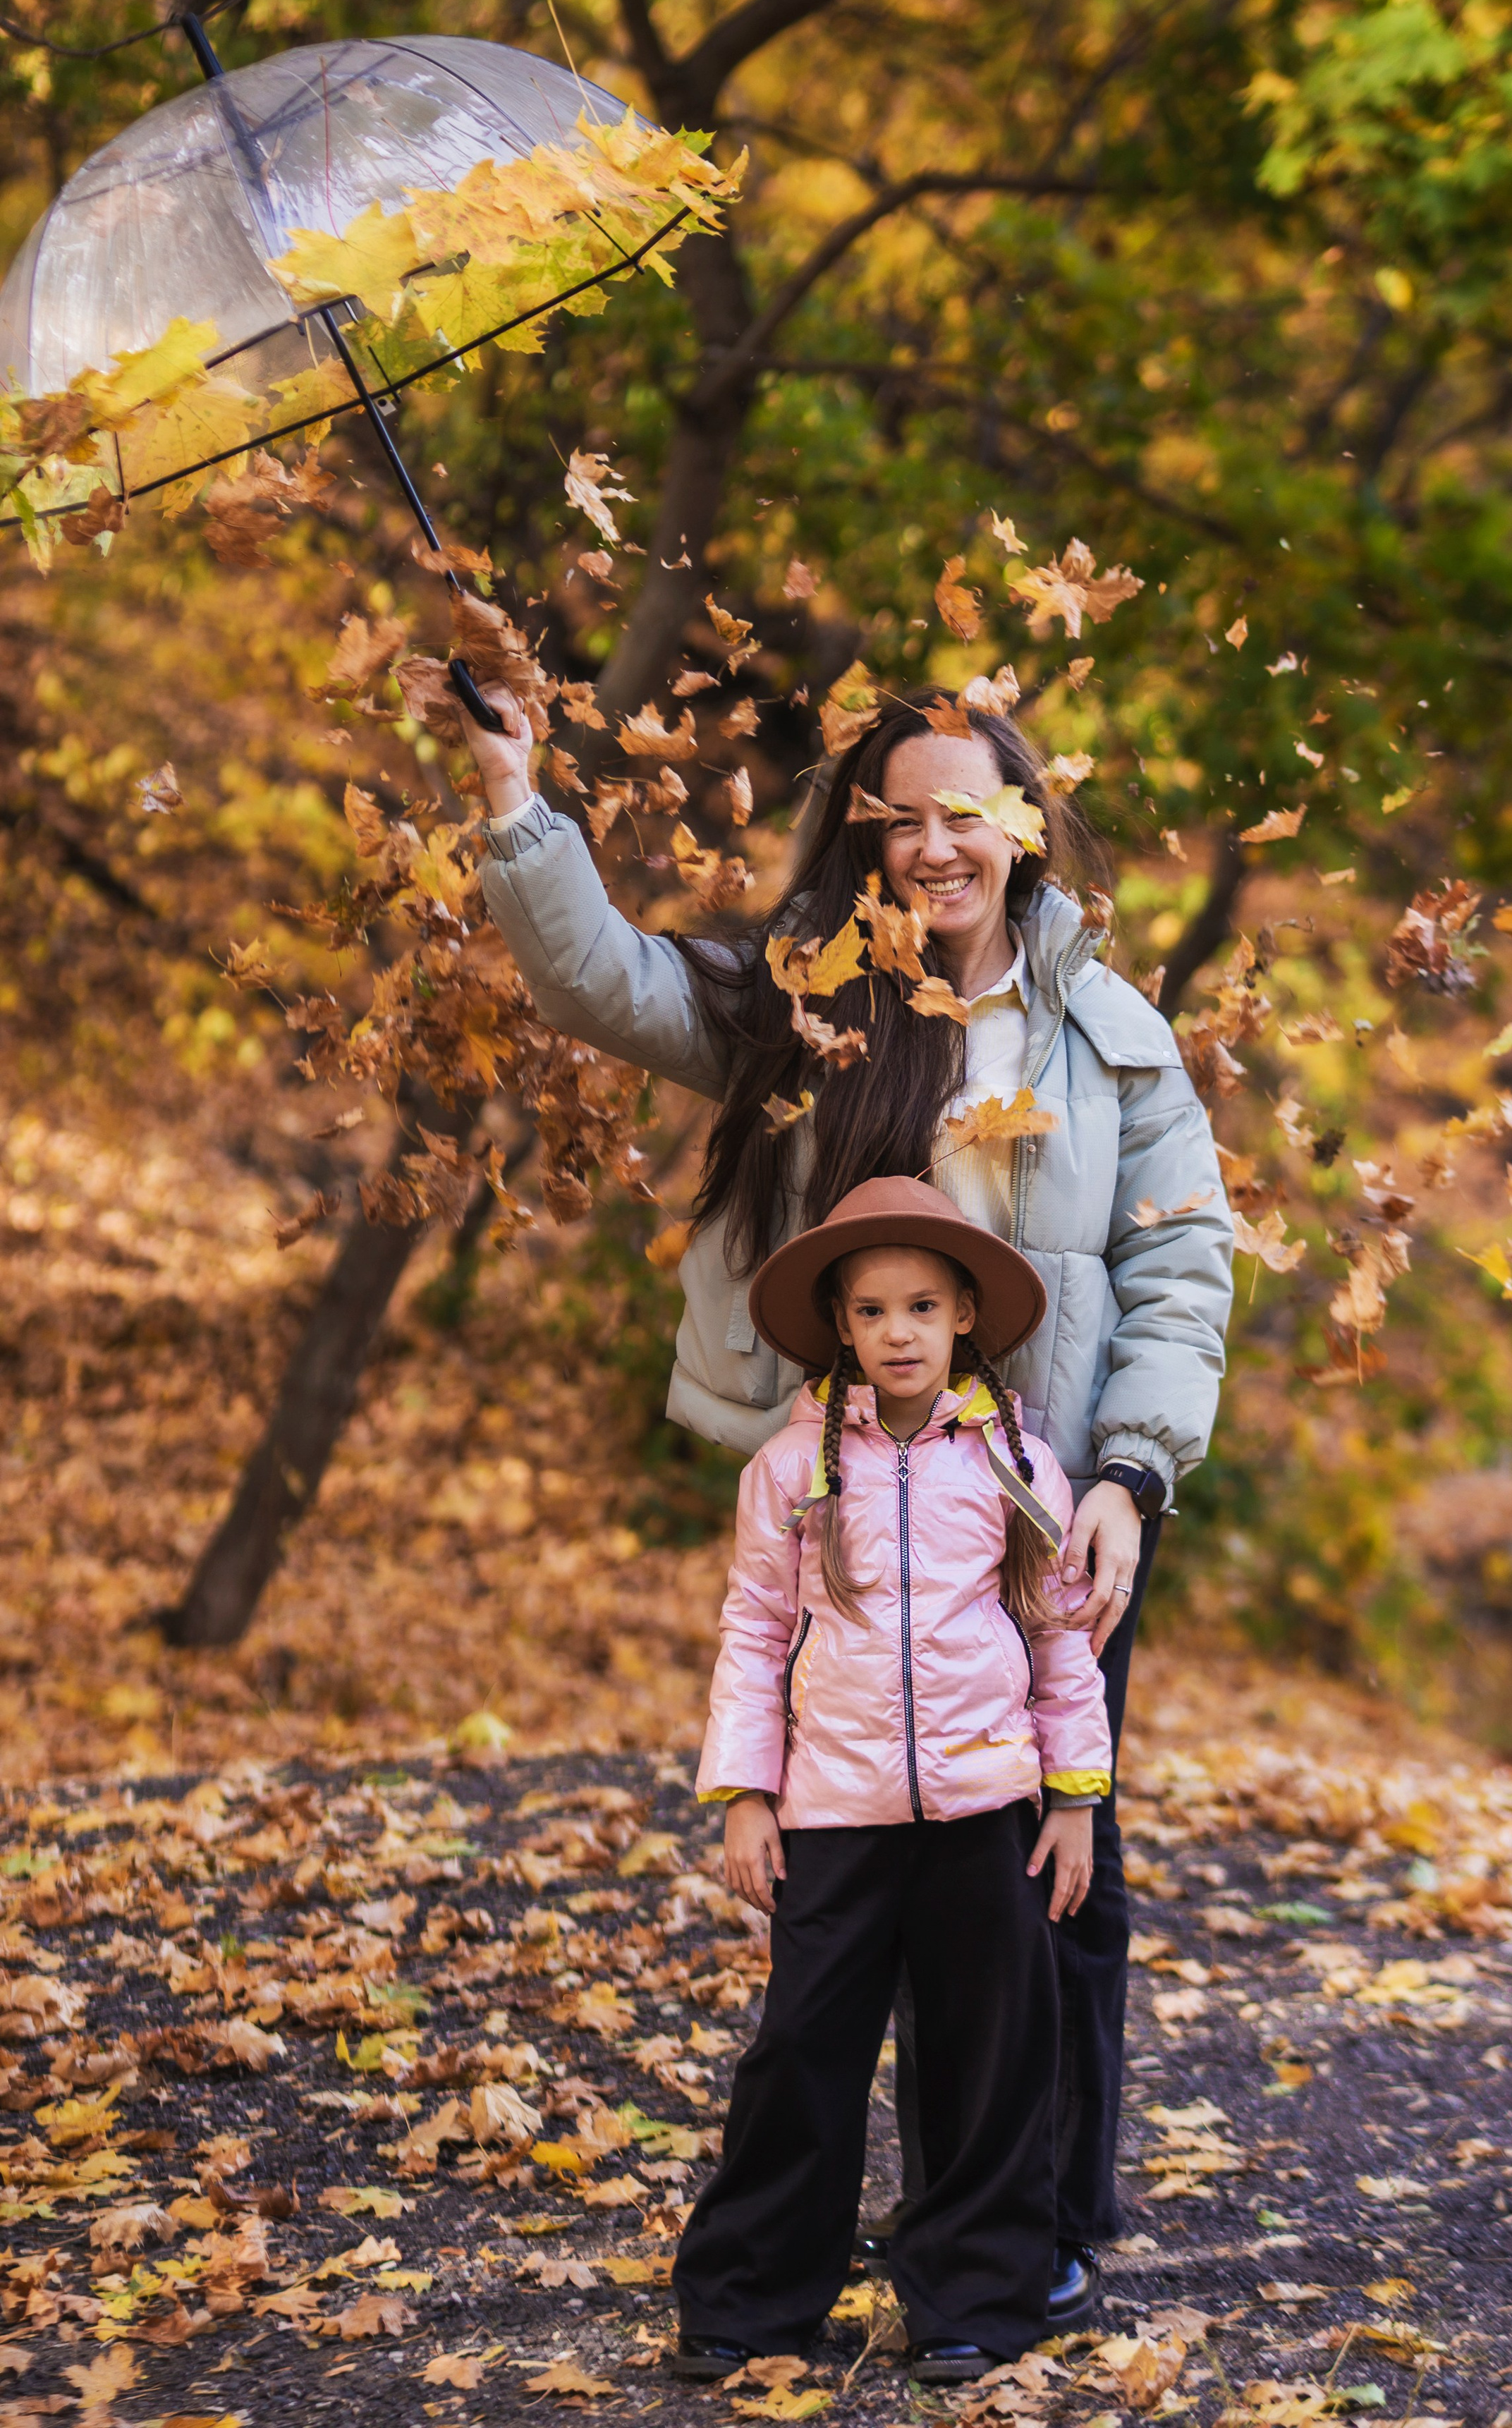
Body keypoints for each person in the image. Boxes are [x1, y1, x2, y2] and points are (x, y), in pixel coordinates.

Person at [463, 672, 1233, 2302]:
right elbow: (599, 977)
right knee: (860, 1879)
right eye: (898, 818)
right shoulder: (797, 1003)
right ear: (861, 839)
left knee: (1050, 1877)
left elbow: (1178, 1271)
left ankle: (1032, 2229)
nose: (934, 845)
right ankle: (853, 2236)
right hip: (857, 1515)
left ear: (1022, 829)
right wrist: (515, 797)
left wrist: (1129, 1474)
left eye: (968, 812)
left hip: (1051, 1518)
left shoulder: (1109, 1031)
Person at [672, 1176, 1112, 2386]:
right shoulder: (792, 1470)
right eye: (872, 1311)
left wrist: (1076, 1801)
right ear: (842, 1325)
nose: (900, 1332)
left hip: (985, 1815)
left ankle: (972, 2299)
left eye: (923, 1306)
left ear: (965, 1313)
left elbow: (1059, 1638)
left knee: (985, 2064)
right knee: (801, 2055)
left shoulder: (1019, 1465)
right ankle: (751, 2298)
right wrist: (748, 1794)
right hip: (836, 1814)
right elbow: (755, 1633)